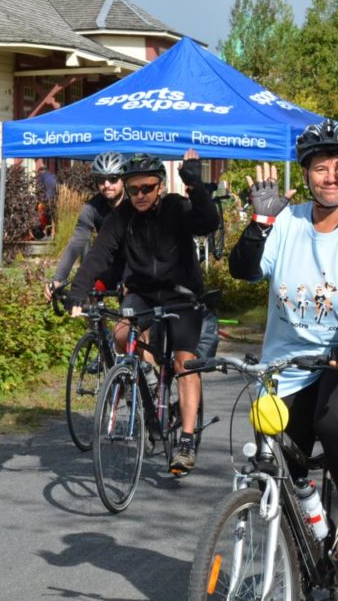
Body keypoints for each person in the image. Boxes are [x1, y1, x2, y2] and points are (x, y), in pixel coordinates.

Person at [228, 119, 338, 559]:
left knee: (337, 420)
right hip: (289, 361)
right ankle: (314, 538)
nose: (332, 175)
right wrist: (259, 223)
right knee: (278, 458)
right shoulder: (286, 223)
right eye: (322, 166)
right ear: (305, 174)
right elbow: (243, 271)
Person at [65, 150, 219, 474]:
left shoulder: (176, 207)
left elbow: (207, 222)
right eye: (133, 189)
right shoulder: (120, 218)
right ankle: (146, 378)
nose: (139, 196)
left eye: (146, 188)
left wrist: (195, 182)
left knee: (184, 362)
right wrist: (77, 291)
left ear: (160, 186)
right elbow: (98, 256)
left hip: (182, 294)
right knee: (122, 334)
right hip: (142, 294)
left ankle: (186, 441)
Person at [44, 151, 126, 299]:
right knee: (89, 294)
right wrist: (58, 279)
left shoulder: (136, 203)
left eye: (113, 179)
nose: (107, 185)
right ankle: (95, 322)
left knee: (134, 310)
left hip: (136, 266)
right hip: (110, 265)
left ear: (123, 179)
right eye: (101, 180)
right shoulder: (92, 208)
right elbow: (76, 243)